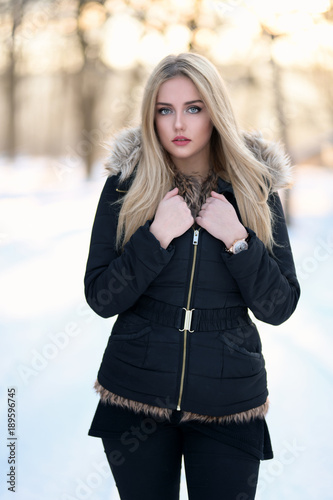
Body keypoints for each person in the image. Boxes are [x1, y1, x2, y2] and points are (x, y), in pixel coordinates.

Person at [84, 53, 300, 500]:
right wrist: (156, 236)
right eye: (165, 110)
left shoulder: (253, 190)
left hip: (230, 405)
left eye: (193, 108)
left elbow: (278, 306)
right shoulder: (126, 186)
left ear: (215, 111)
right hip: (135, 398)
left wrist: (239, 240)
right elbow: (103, 297)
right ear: (152, 115)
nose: (178, 123)